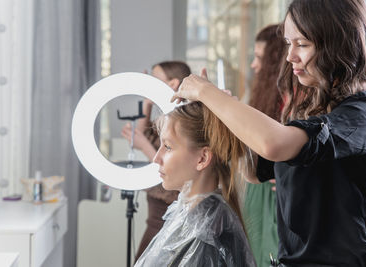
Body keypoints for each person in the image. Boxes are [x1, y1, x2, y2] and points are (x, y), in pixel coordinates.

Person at [172, 0, 366, 266]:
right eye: (288, 44)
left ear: (339, 44)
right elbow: (255, 169)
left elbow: (273, 144)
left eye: (302, 45)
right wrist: (223, 116)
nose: (290, 56)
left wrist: (207, 93)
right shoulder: (311, 111)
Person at [134, 101, 256, 267]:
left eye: (168, 147)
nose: (156, 158)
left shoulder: (206, 233)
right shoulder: (197, 217)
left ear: (202, 158)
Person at [121, 61, 191, 261]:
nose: (149, 83)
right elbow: (139, 134)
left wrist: (144, 145)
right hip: (155, 206)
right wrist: (147, 102)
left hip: (169, 206)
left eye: (154, 80)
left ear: (173, 84)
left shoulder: (183, 121)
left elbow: (170, 162)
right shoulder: (163, 119)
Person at [243, 23, 284, 267]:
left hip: (276, 195)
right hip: (260, 190)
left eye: (259, 58)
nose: (253, 65)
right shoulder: (265, 98)